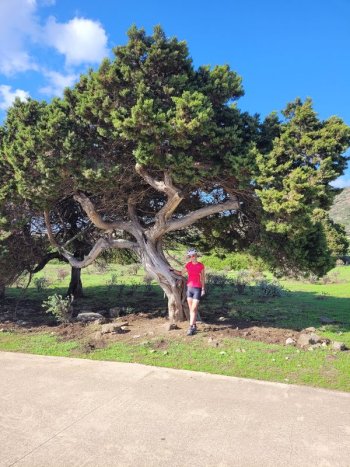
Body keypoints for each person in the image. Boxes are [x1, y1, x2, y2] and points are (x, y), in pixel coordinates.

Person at [183, 248, 205, 336]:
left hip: (197, 289)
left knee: (193, 308)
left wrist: (203, 288)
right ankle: (194, 325)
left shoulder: (201, 265)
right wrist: (171, 270)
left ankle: (190, 326)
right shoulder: (188, 265)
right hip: (189, 289)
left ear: (196, 256)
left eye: (193, 255)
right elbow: (181, 273)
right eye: (190, 256)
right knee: (192, 309)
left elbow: (203, 278)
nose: (192, 257)